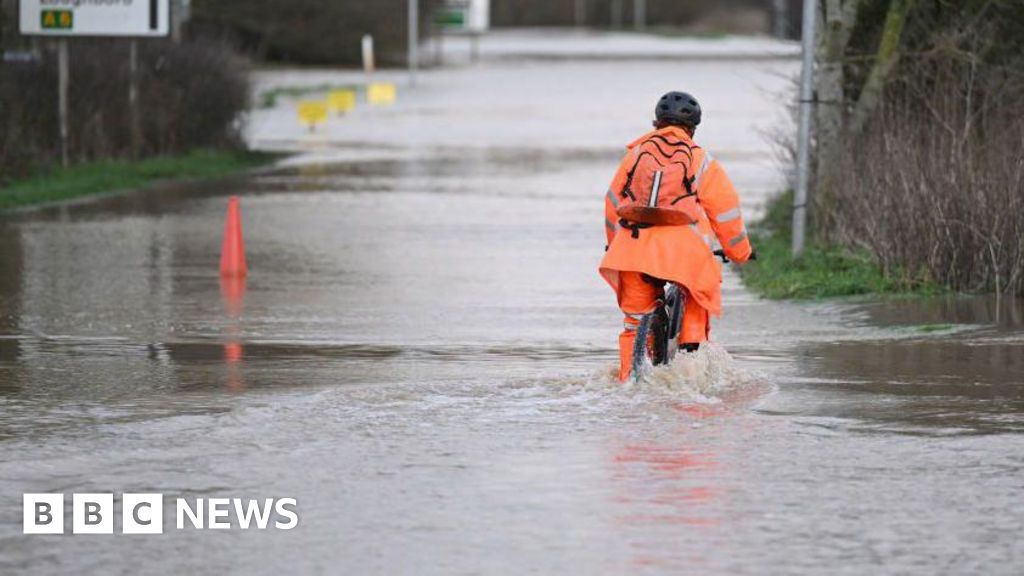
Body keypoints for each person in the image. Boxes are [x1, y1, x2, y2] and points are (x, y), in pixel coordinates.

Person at [599, 91, 754, 382]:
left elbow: (611, 203)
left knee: (634, 323)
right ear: (693, 128)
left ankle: (629, 382)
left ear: (656, 122)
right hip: (683, 252)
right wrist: (740, 253)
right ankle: (690, 364)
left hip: (632, 246)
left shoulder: (634, 155)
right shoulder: (700, 160)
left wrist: (613, 243)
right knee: (698, 296)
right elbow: (726, 212)